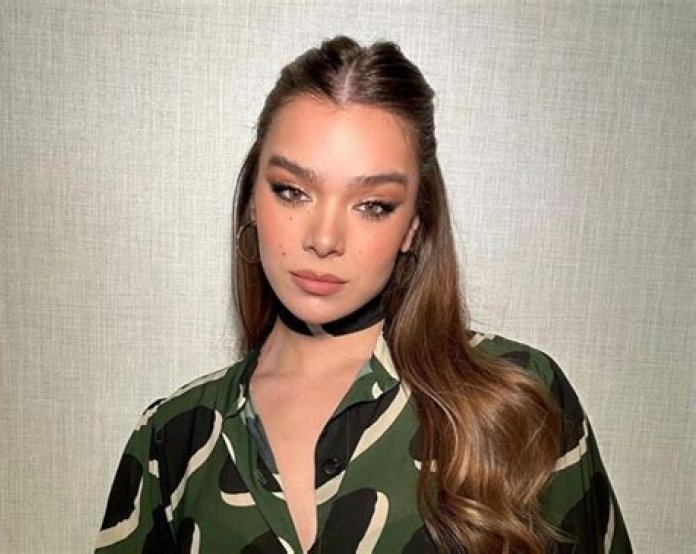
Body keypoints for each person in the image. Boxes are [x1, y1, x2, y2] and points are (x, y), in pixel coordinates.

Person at [95, 36, 632, 553]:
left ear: (414, 227)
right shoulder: (173, 440)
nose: (324, 239)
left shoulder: (518, 402)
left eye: (373, 205)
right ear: (253, 200)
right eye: (292, 191)